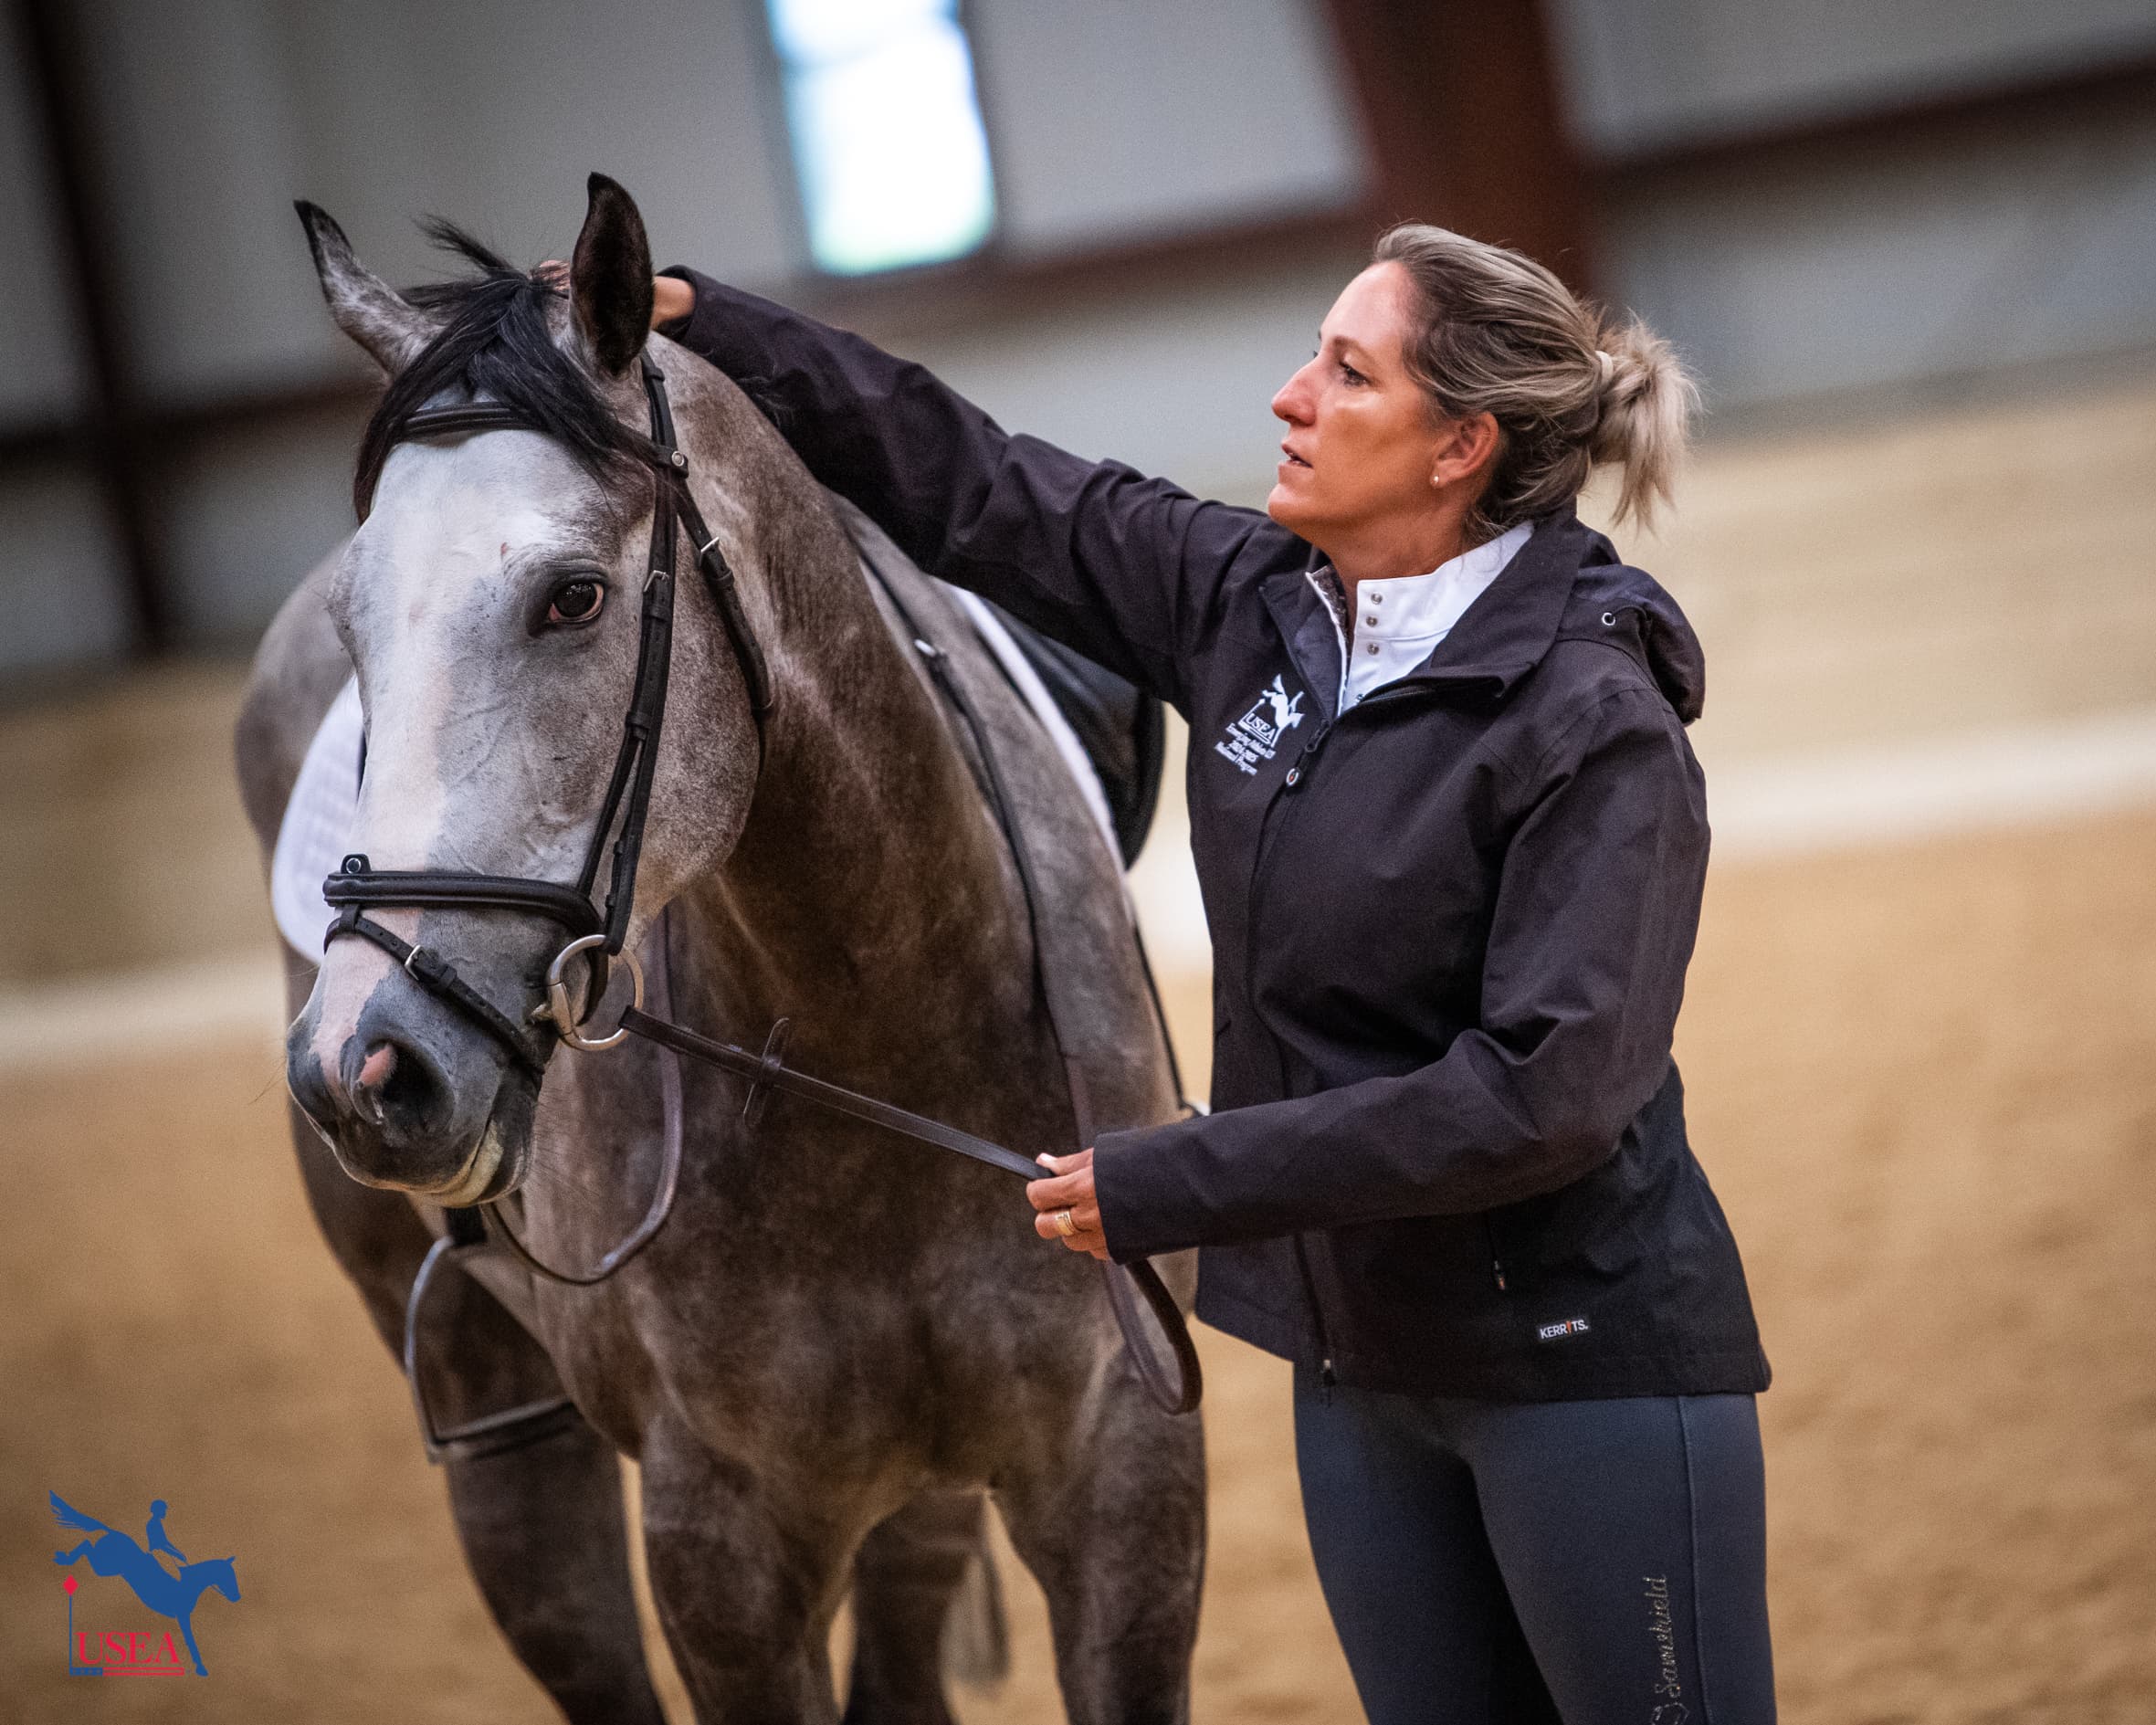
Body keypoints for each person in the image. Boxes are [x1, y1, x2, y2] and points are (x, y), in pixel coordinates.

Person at [652, 223, 1775, 1724]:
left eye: (1344, 370)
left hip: (1582, 1368)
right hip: (1361, 1371)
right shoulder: (1248, 602)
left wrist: (1181, 1180)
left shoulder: (1590, 711)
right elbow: (972, 479)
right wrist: (706, 317)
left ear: (1460, 446)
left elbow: (1544, 1096)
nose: (1287, 398)